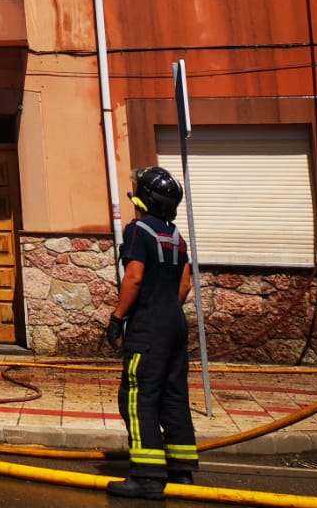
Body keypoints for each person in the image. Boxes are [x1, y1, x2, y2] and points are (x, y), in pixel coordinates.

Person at [103, 167, 198, 500]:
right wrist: (166, 309)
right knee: (173, 395)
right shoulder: (177, 236)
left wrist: (117, 318)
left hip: (148, 326)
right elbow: (184, 286)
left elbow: (134, 278)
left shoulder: (137, 231)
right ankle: (181, 470)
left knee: (138, 395)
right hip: (175, 324)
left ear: (142, 197)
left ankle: (146, 475)